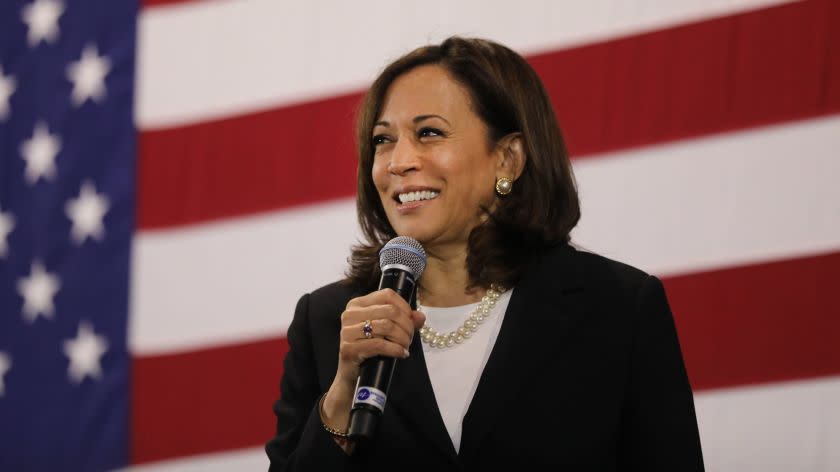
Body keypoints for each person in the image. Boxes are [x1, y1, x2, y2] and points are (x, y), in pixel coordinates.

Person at [265, 36, 705, 470]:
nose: (398, 161)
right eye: (383, 140)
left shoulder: (618, 307)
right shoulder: (327, 321)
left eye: (429, 133)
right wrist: (341, 396)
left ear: (508, 160)